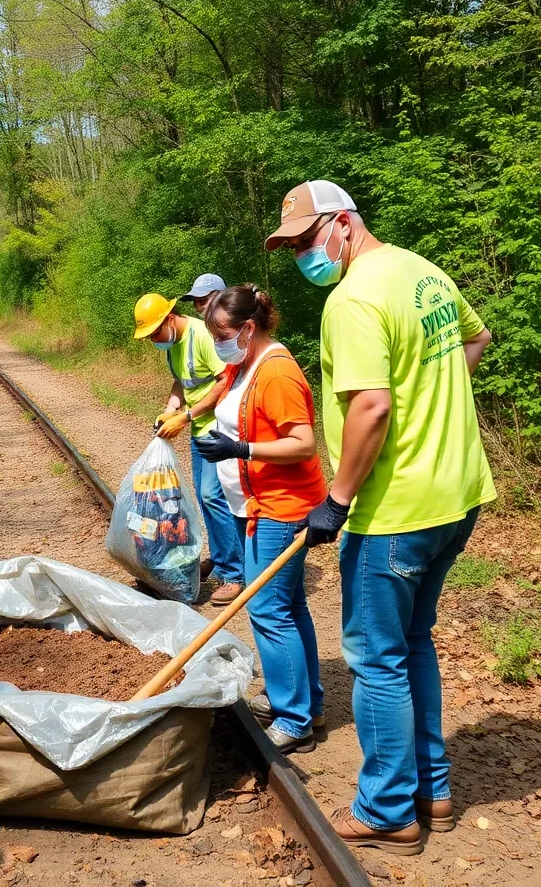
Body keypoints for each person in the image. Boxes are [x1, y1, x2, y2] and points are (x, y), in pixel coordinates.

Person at [267, 179, 496, 855]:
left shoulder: (354, 297)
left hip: (393, 511)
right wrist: (437, 398)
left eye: (309, 239)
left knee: (374, 657)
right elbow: (475, 340)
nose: (306, 255)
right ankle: (434, 788)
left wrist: (336, 498)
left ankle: (388, 808)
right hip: (456, 496)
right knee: (413, 641)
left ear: (343, 224)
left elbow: (370, 406)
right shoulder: (422, 272)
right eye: (294, 247)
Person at [196, 285, 328, 754]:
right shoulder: (245, 362)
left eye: (223, 333)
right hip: (259, 505)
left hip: (283, 507)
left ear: (248, 329)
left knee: (269, 610)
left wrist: (239, 449)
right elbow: (224, 393)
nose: (218, 343)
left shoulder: (277, 374)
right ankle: (304, 702)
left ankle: (294, 719)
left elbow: (304, 443)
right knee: (289, 606)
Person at [133, 292, 244, 602]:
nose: (154, 339)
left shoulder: (201, 335)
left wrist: (186, 416)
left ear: (170, 318)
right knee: (204, 497)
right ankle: (222, 563)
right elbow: (182, 382)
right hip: (198, 428)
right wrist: (171, 409)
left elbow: (225, 380)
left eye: (155, 332)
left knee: (212, 495)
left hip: (219, 427)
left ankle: (235, 574)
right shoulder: (173, 346)